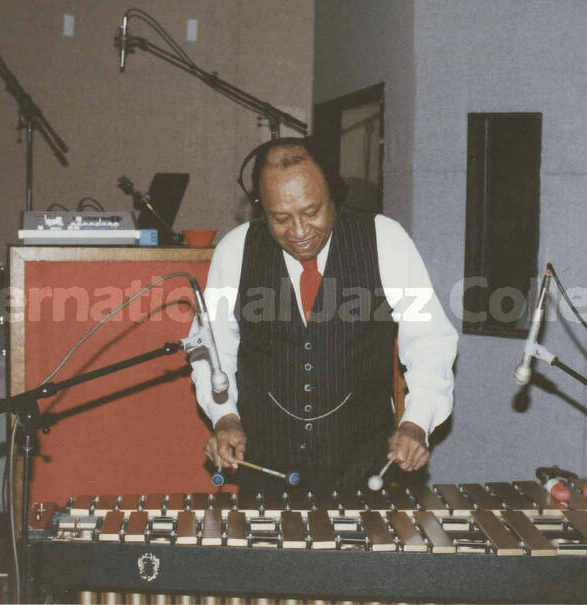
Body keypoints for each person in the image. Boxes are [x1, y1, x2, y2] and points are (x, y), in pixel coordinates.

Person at [192, 137, 457, 492]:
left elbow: (429, 341)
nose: (299, 232)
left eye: (312, 212)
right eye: (280, 218)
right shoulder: (235, 249)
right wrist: (224, 416)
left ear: (334, 193)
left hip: (363, 467)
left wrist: (416, 423)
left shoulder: (385, 240)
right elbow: (211, 347)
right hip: (265, 468)